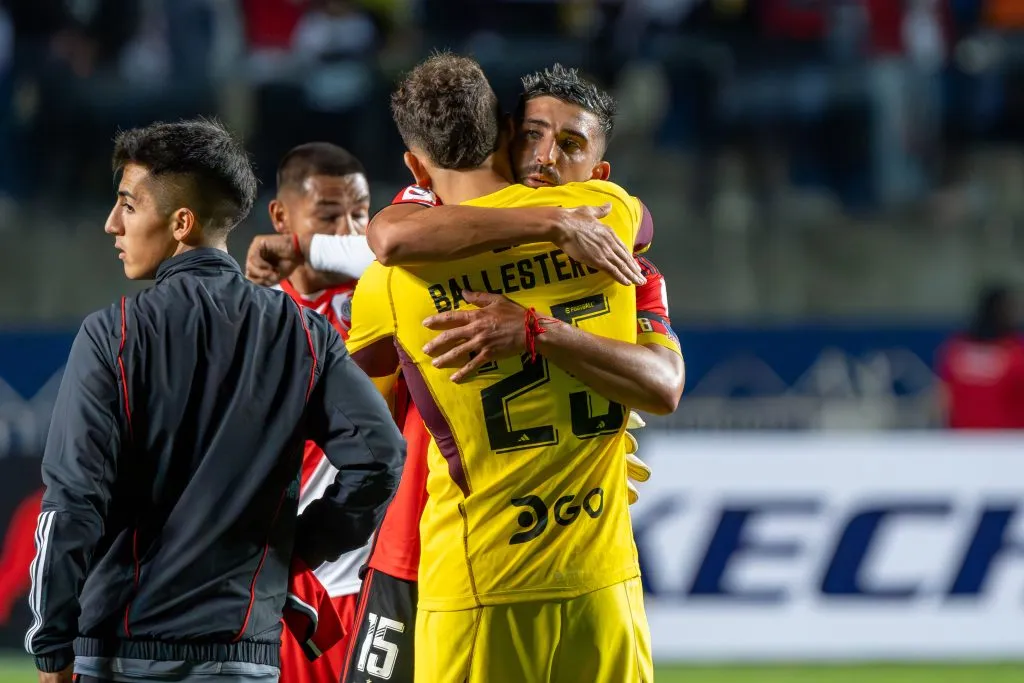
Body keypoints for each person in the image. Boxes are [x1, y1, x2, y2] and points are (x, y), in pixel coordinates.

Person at [337, 63, 683, 683]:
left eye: (569, 144)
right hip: (603, 585)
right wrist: (553, 224)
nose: (547, 156)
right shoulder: (611, 220)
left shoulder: (391, 283)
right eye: (534, 136)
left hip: (478, 585)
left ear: (416, 169)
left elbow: (352, 424)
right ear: (504, 136)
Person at [25, 118, 404, 683]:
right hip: (244, 656)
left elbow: (71, 505)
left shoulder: (113, 334)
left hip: (118, 652)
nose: (111, 224)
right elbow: (379, 459)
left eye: (128, 206)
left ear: (181, 222)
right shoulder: (302, 333)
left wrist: (51, 642)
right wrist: (292, 551)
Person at [263, 142, 380, 683]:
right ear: (281, 216)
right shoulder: (257, 321)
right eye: (330, 216)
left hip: (388, 576)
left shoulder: (388, 297)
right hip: (308, 581)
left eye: (360, 214)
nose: (350, 229)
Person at [936, 284, 1024, 429]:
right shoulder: (1016, 354)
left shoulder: (956, 350)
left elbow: (941, 401)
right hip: (1007, 444)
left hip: (965, 443)